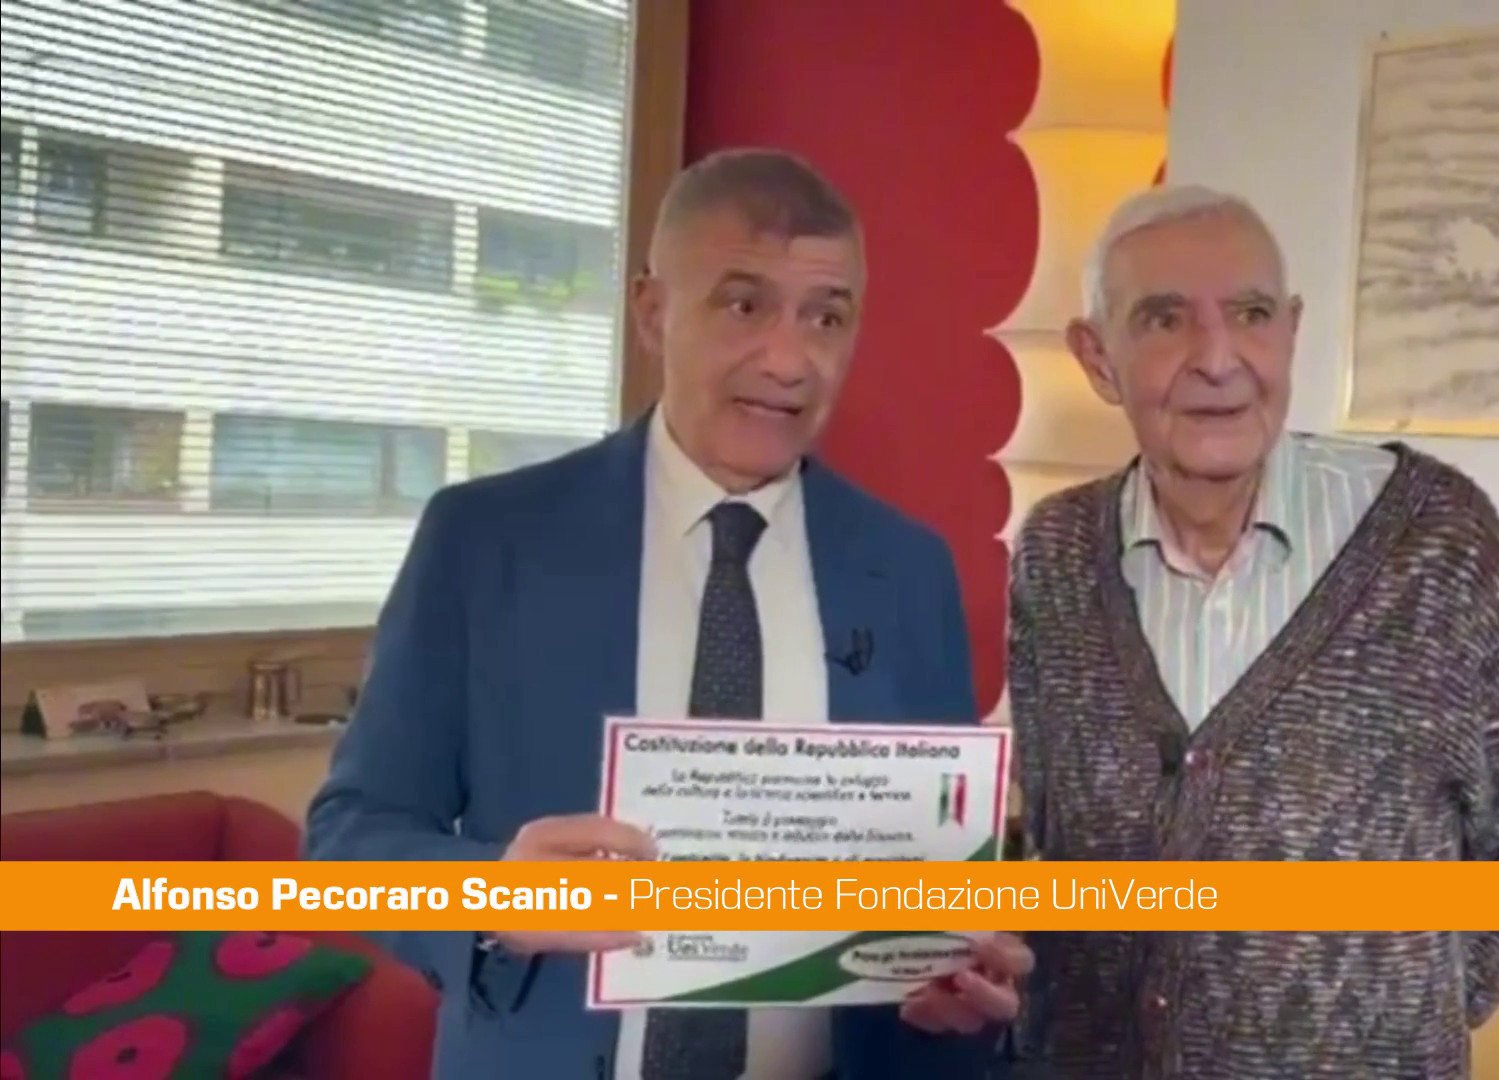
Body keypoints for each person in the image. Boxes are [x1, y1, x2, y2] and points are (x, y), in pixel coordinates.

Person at [305, 147, 1030, 1080]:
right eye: (744, 305)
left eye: (826, 317)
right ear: (653, 313)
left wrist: (955, 984)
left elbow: (934, 888)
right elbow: (350, 838)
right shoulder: (485, 540)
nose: (789, 360)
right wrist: (489, 895)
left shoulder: (909, 568)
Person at [1002, 183, 1499, 1078]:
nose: (1217, 358)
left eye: (1251, 314)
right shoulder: (1057, 552)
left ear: (1291, 332)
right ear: (1097, 358)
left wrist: (1389, 1026)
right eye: (1164, 320)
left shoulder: (1437, 540)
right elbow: (1049, 842)